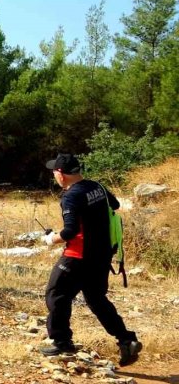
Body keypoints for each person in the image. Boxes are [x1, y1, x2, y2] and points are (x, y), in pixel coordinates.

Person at [38, 153, 142, 366]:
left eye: (54, 172)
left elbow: (70, 231)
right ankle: (126, 339)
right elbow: (114, 204)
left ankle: (62, 342)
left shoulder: (71, 196)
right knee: (96, 299)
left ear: (61, 174)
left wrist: (50, 239)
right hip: (102, 255)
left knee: (56, 294)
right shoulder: (97, 187)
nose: (54, 176)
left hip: (77, 256)